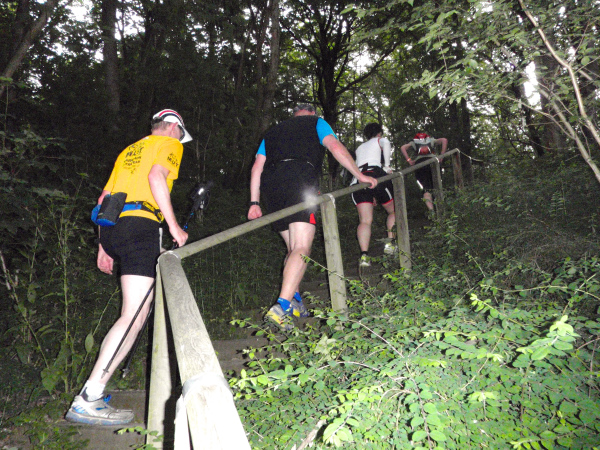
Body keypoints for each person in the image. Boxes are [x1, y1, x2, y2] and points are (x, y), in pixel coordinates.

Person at [65, 109, 191, 426]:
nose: (180, 139)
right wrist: (174, 226)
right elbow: (156, 178)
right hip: (140, 225)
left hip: (113, 227)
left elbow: (103, 198)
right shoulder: (170, 144)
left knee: (134, 312)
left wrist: (103, 245)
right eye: (180, 133)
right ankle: (89, 398)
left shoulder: (130, 150)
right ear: (173, 128)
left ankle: (92, 394)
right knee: (134, 315)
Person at [247, 104, 377, 331]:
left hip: (272, 187)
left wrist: (254, 202)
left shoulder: (273, 131)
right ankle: (281, 306)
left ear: (294, 114)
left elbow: (257, 167)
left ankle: (295, 301)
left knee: (292, 248)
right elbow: (334, 146)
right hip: (299, 180)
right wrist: (359, 175)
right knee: (301, 247)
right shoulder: (316, 122)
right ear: (312, 113)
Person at [350, 123, 397, 268]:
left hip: (358, 180)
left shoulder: (359, 148)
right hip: (375, 175)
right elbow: (386, 143)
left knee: (365, 221)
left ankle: (364, 256)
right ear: (379, 133)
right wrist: (387, 167)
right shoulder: (379, 140)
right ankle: (390, 244)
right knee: (394, 211)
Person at [400, 133, 448, 212]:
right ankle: (441, 211)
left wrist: (409, 160)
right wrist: (441, 156)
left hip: (420, 164)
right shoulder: (431, 140)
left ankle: (432, 212)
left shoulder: (414, 142)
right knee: (437, 186)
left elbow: (403, 147)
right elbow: (444, 140)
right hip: (433, 162)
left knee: (426, 189)